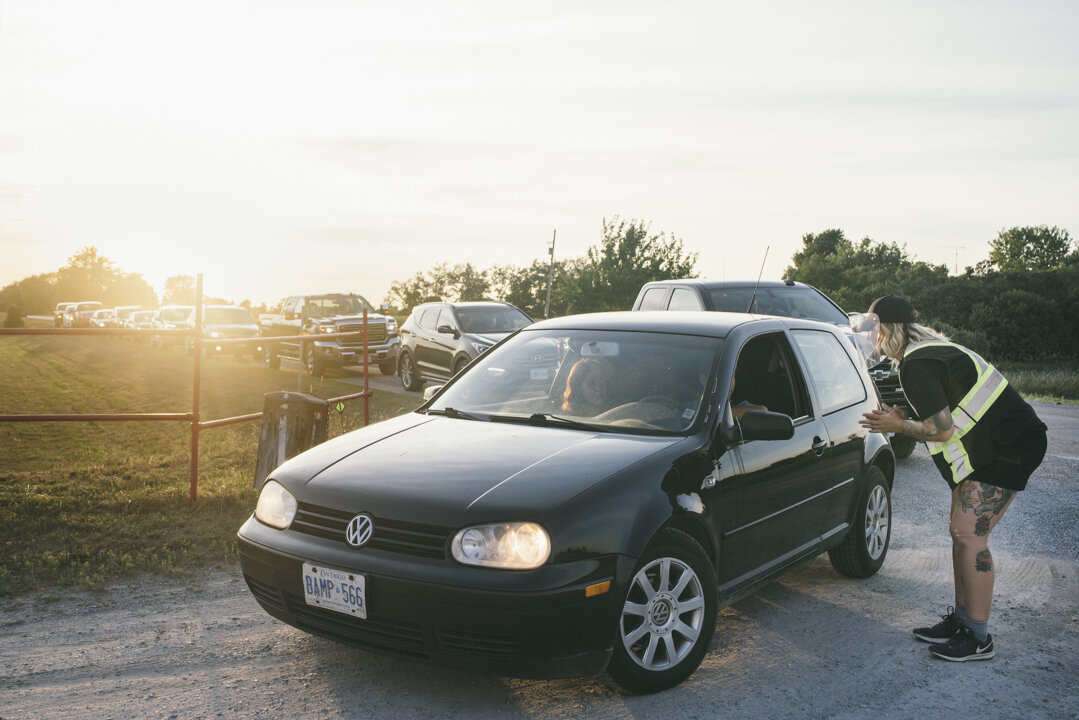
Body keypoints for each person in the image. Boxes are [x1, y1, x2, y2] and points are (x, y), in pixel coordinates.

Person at [858, 295, 1047, 662]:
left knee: (969, 536)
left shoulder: (917, 364)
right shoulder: (933, 351)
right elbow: (948, 418)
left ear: (888, 329)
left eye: (872, 329)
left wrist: (897, 425)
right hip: (994, 446)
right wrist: (904, 418)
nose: (870, 339)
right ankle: (962, 622)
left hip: (1009, 447)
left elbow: (940, 430)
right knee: (960, 535)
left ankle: (978, 638)